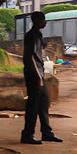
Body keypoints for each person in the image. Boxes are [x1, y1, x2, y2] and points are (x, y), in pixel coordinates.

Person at [21, 11, 62, 145]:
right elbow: (29, 57)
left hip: (39, 73)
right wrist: (38, 77)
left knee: (44, 103)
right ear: (37, 20)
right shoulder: (31, 36)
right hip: (34, 74)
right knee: (33, 105)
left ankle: (47, 133)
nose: (45, 22)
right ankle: (27, 134)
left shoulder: (38, 35)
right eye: (43, 19)